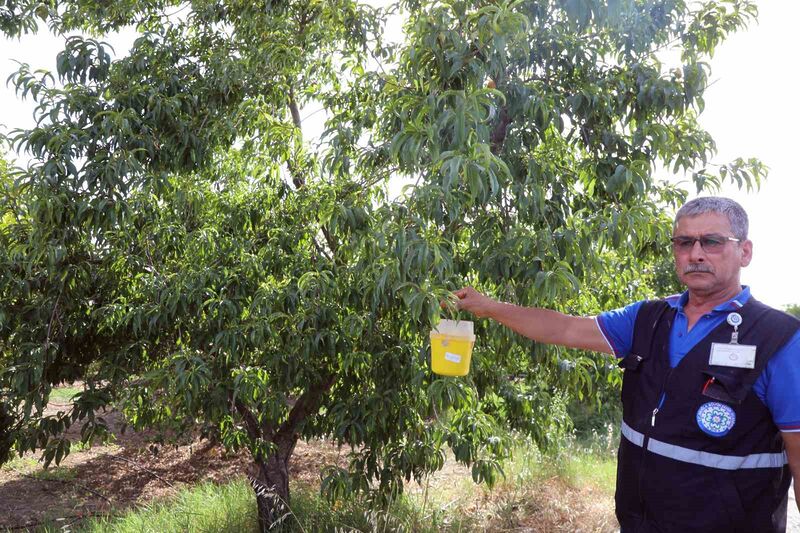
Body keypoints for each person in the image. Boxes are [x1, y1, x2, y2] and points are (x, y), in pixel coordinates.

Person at [453, 197, 800, 533]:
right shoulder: (647, 318)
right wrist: (487, 307)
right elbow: (565, 327)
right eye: (684, 242)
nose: (695, 253)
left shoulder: (779, 338)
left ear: (745, 251)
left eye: (711, 242)